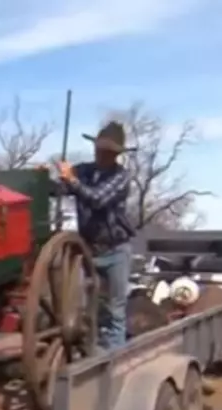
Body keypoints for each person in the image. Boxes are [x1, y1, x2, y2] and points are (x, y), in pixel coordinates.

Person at [54, 121, 136, 350]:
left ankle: (114, 362)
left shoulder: (121, 177)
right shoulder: (83, 171)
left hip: (116, 250)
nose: (102, 154)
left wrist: (72, 181)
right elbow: (60, 190)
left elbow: (98, 199)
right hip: (87, 249)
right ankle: (85, 355)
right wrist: (47, 180)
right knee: (78, 308)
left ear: (116, 155)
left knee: (114, 312)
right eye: (100, 149)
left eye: (108, 152)